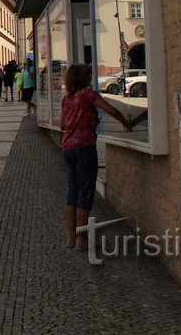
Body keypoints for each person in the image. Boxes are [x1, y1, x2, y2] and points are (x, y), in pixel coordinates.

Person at [61, 63, 130, 250]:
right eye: (88, 74)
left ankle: (71, 237)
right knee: (86, 190)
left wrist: (75, 121)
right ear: (83, 78)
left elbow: (62, 125)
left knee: (72, 190)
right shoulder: (88, 94)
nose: (90, 77)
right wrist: (125, 121)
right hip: (84, 147)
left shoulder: (67, 98)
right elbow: (112, 110)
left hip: (67, 147)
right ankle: (81, 239)